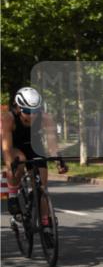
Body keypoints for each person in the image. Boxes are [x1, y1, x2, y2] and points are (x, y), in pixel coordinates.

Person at [1, 87, 67, 224]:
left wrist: (58, 161)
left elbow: (52, 144)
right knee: (20, 161)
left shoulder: (46, 118)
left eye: (36, 111)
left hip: (34, 146)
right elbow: (6, 149)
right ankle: (13, 195)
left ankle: (46, 222)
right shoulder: (8, 118)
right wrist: (10, 166)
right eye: (28, 111)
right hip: (14, 146)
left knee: (41, 187)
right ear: (18, 107)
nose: (33, 115)